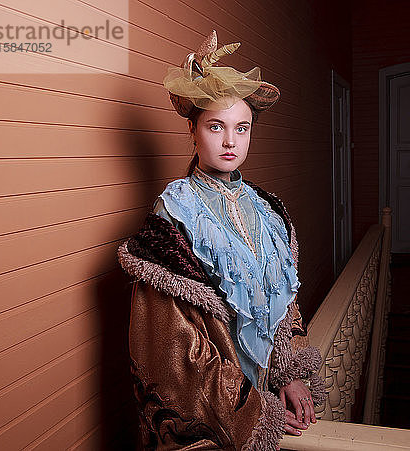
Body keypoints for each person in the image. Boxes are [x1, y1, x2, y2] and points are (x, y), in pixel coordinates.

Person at [118, 30, 325, 450]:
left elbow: (283, 302)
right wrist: (251, 411)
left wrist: (291, 373)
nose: (231, 141)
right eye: (216, 126)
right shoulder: (171, 217)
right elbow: (171, 354)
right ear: (193, 131)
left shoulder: (267, 209)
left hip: (270, 394)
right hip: (214, 421)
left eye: (242, 128)